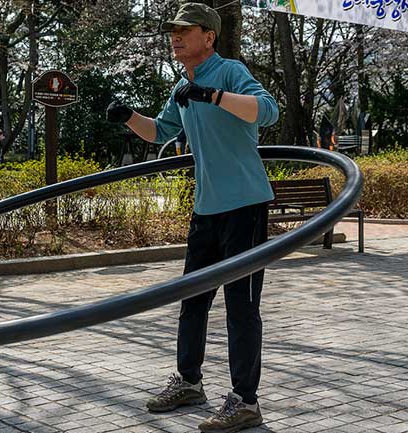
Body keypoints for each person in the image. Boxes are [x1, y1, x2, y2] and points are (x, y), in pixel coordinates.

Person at [106, 3, 279, 433]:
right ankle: (189, 381)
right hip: (206, 209)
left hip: (244, 206)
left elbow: (268, 110)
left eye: (185, 30)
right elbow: (160, 132)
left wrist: (214, 95)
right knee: (193, 301)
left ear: (209, 36)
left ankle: (245, 402)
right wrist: (128, 115)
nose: (175, 36)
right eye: (172, 30)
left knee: (241, 307)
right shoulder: (182, 86)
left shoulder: (228, 71)